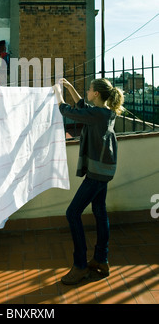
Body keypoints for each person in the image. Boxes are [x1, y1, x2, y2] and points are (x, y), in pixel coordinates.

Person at [53, 77, 124, 285]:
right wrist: (69, 87)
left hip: (97, 172)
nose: (88, 91)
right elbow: (82, 105)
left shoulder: (97, 114)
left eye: (90, 89)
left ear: (97, 94)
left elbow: (67, 111)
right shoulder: (103, 112)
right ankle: (101, 260)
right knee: (99, 211)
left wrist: (57, 92)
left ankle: (80, 265)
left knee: (72, 213)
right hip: (104, 169)